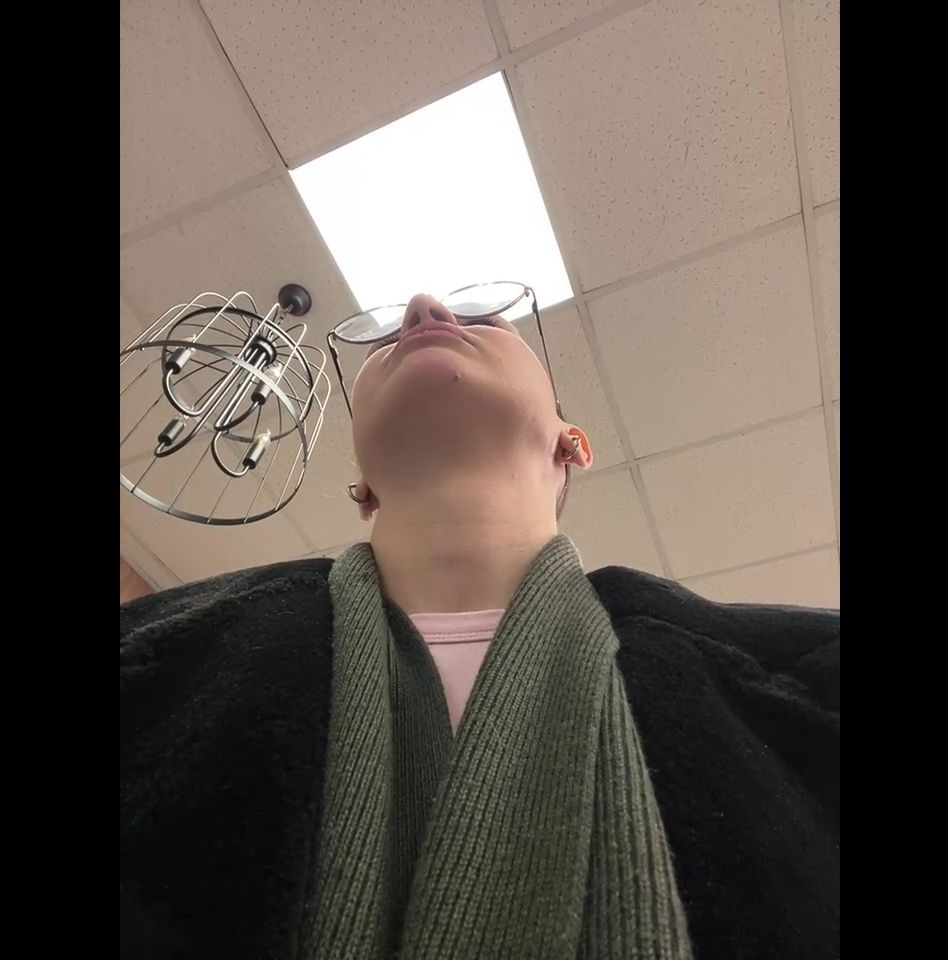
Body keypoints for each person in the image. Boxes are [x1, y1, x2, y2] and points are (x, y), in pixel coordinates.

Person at [120, 293, 840, 960]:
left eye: (485, 322)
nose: (421, 308)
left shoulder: (806, 677)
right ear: (361, 486)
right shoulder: (154, 653)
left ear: (572, 444)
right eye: (385, 339)